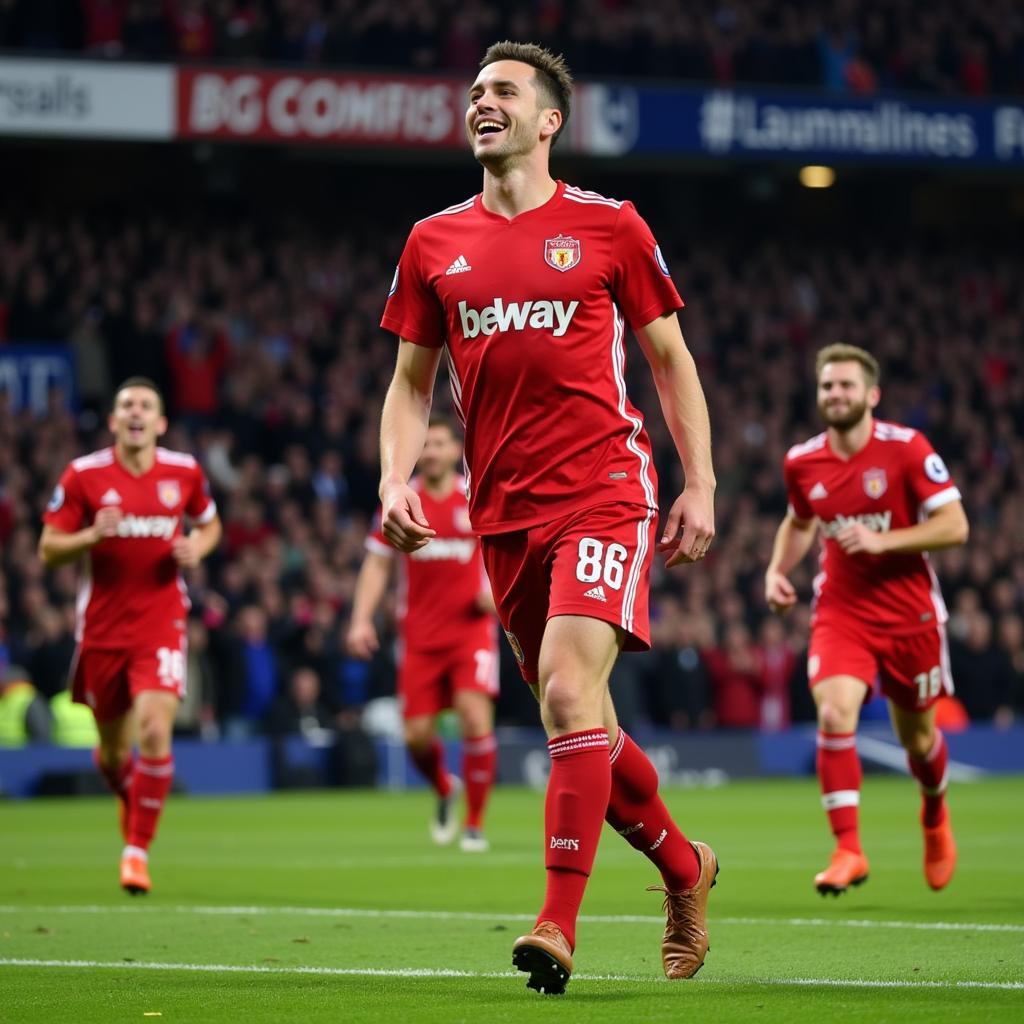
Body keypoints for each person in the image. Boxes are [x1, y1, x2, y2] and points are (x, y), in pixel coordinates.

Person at [378, 41, 718, 994]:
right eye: (475, 91)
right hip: (502, 517)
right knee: (587, 727)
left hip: (606, 489)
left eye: (504, 92)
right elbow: (409, 385)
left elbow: (670, 358)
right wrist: (394, 476)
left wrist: (702, 482)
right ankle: (687, 868)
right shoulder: (431, 242)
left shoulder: (609, 227)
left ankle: (555, 925)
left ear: (548, 120)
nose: (482, 103)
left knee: (568, 694)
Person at [765, 343, 968, 896]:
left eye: (846, 386)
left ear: (871, 394)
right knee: (833, 712)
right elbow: (800, 520)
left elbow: (955, 526)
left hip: (910, 615)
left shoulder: (907, 450)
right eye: (827, 386)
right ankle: (848, 849)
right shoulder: (802, 460)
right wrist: (776, 571)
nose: (835, 394)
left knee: (919, 739)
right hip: (841, 611)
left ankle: (933, 814)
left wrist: (883, 540)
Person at [38, 376, 222, 895]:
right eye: (126, 405)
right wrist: (92, 535)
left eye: (146, 404)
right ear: (114, 421)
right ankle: (129, 793)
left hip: (161, 622)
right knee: (115, 755)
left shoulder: (184, 472)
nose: (135, 411)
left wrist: (197, 549)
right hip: (101, 630)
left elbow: (210, 525)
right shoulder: (84, 476)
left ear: (160, 422)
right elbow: (48, 548)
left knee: (156, 732)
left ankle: (136, 852)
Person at [347, 418, 499, 853]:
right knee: (415, 735)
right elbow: (377, 563)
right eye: (425, 445)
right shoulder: (401, 501)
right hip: (419, 637)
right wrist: (360, 619)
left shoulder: (476, 496)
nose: (430, 452)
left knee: (474, 716)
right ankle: (443, 786)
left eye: (439, 444)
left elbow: (507, 547)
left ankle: (474, 824)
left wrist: (495, 591)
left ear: (456, 451)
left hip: (471, 633)